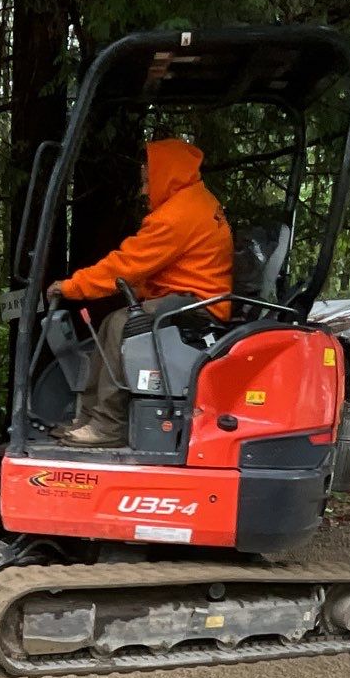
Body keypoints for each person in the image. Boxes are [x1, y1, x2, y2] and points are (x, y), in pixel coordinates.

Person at [51, 137, 234, 447]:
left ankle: (109, 426)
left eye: (149, 180)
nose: (145, 190)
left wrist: (73, 286)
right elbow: (164, 266)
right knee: (112, 322)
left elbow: (127, 264)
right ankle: (90, 417)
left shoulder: (178, 215)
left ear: (168, 174)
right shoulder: (196, 202)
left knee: (124, 325)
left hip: (200, 305)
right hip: (191, 296)